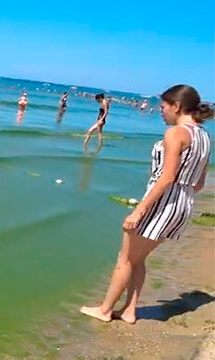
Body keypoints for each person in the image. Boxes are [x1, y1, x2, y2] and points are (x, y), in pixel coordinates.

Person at [79, 85, 211, 324]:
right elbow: (199, 182)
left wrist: (139, 210)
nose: (160, 112)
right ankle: (129, 311)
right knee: (137, 259)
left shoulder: (176, 133)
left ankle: (105, 310)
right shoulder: (203, 135)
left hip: (162, 203)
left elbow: (167, 176)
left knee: (126, 258)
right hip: (182, 204)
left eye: (163, 107)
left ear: (176, 106)